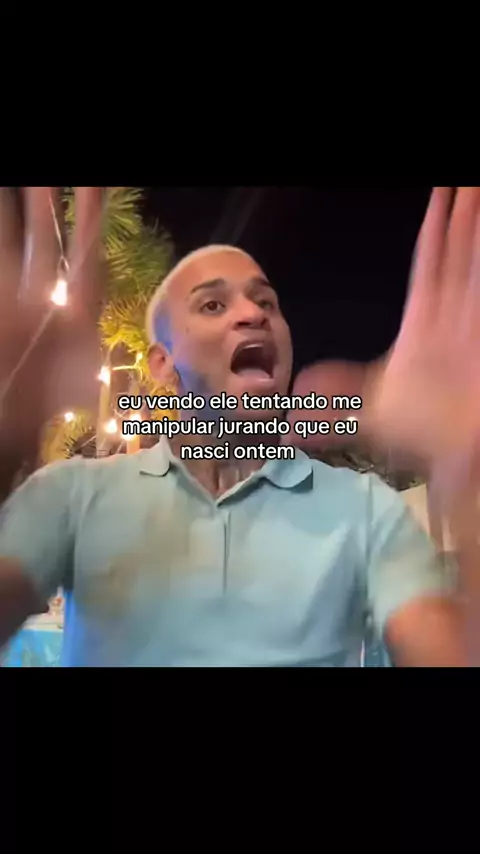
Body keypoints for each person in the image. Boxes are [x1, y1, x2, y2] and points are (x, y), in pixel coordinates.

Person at [0, 187, 479, 666]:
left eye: (267, 303)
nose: (253, 315)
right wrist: (7, 436)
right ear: (163, 365)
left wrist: (468, 479)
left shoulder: (367, 509)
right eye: (212, 305)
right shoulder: (75, 495)